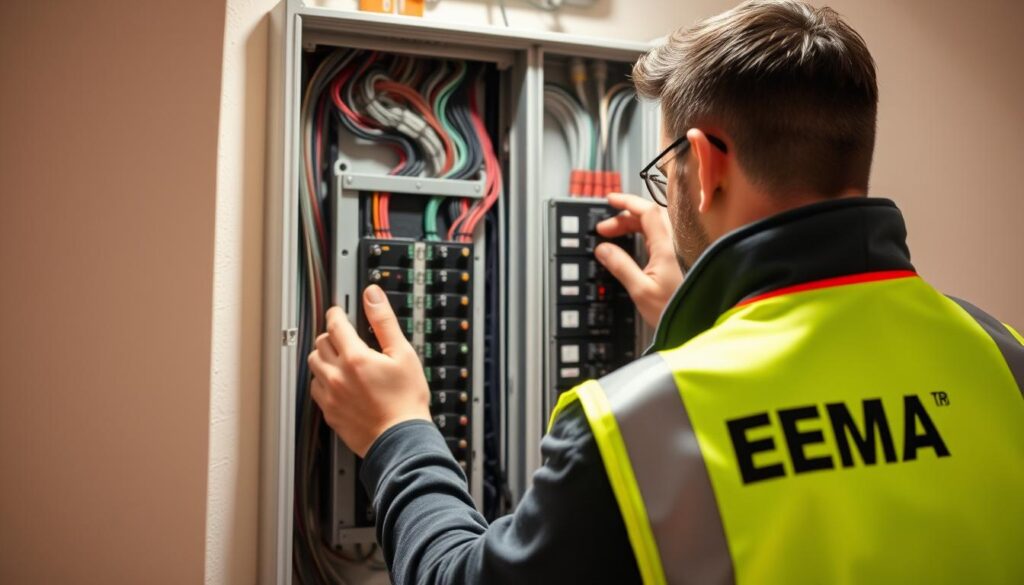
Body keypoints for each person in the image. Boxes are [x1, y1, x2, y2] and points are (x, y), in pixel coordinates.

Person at [307, 1, 1024, 583]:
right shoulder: (1000, 357)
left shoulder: (634, 432)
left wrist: (397, 431)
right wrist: (704, 311)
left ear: (705, 163)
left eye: (667, 167)